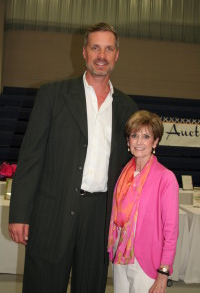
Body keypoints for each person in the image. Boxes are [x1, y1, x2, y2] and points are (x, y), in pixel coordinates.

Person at [8, 22, 138, 293]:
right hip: (52, 212)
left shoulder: (127, 108)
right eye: (95, 47)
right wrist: (19, 213)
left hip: (99, 216)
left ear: (117, 55)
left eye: (108, 49)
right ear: (84, 52)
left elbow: (131, 171)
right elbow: (31, 157)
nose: (101, 55)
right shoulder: (52, 95)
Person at [108, 110, 179, 293]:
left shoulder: (166, 178)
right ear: (128, 140)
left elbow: (171, 231)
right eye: (134, 135)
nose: (139, 142)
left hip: (146, 262)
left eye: (146, 136)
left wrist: (163, 273)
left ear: (155, 142)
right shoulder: (123, 174)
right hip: (121, 255)